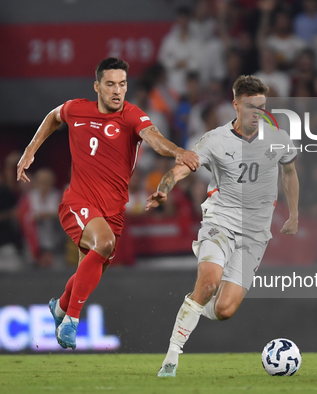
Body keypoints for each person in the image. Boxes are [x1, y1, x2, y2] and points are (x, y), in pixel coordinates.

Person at [16, 57, 199, 350]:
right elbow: (53, 116)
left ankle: (61, 306)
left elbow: (154, 139)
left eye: (123, 84)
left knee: (91, 268)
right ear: (97, 86)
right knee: (103, 243)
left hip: (113, 211)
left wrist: (177, 150)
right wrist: (30, 151)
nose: (117, 91)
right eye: (111, 84)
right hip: (78, 202)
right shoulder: (78, 109)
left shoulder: (131, 115)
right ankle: (71, 321)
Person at [146, 75, 300, 377]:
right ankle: (172, 357)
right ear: (235, 105)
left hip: (255, 234)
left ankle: (193, 304)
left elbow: (290, 172)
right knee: (209, 282)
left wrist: (293, 213)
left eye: (262, 107)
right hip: (220, 222)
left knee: (224, 310)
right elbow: (180, 169)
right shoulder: (215, 140)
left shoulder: (278, 138)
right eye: (251, 107)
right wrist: (165, 187)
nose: (257, 114)